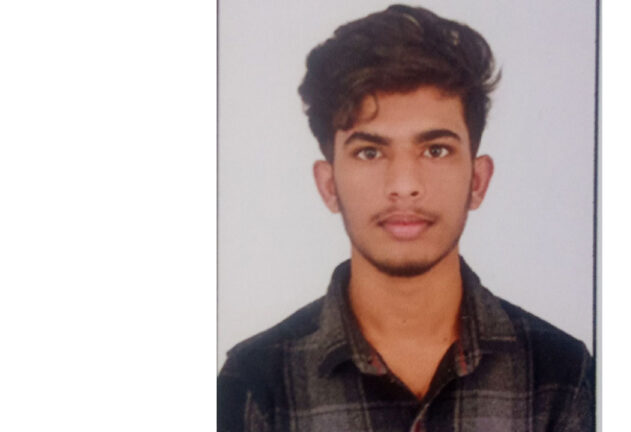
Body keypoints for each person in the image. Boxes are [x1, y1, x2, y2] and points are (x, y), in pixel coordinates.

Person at [218, 4, 594, 431]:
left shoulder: (562, 378)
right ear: (328, 185)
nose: (404, 185)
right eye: (369, 152)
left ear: (478, 181)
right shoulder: (255, 386)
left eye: (435, 150)